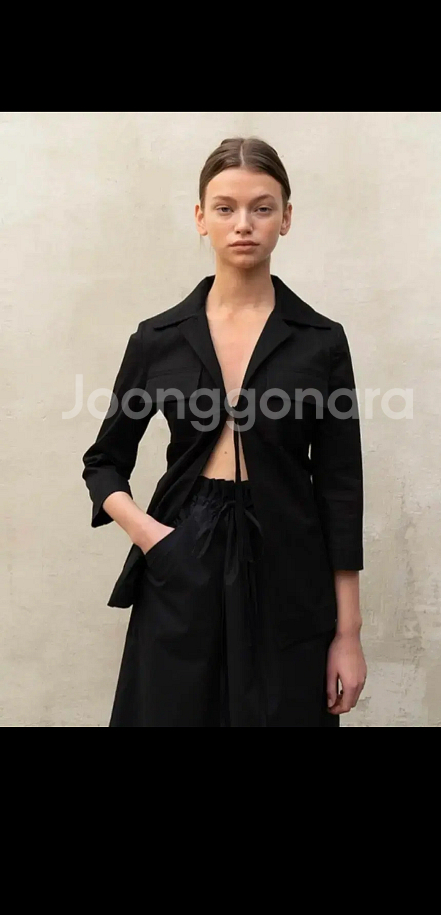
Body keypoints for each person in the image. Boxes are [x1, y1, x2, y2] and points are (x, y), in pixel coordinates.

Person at [82, 136, 367, 727]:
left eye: (262, 207)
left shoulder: (321, 341)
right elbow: (103, 461)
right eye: (225, 207)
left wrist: (349, 634)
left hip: (290, 566)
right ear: (200, 218)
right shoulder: (158, 339)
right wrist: (152, 536)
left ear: (286, 217)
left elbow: (340, 490)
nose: (243, 224)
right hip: (183, 554)